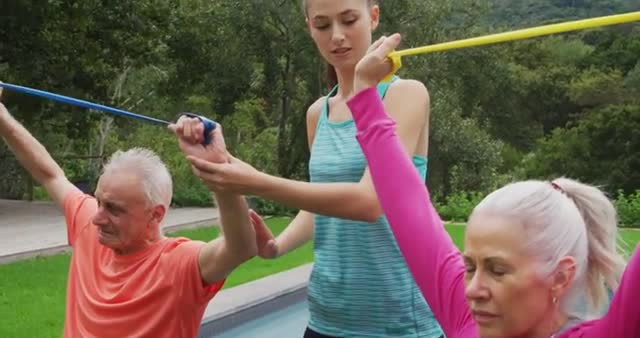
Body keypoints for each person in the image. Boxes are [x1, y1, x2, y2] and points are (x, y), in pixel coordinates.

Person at [345, 33, 640, 337]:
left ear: (561, 276)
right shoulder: (466, 317)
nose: (473, 290)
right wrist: (365, 91)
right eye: (470, 267)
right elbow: (406, 204)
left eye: (497, 271)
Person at [182, 0, 442, 337]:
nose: (337, 36)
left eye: (349, 20)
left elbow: (370, 202)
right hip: (325, 318)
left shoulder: (405, 95)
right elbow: (320, 201)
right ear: (309, 27)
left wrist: (256, 182)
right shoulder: (317, 113)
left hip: (398, 323)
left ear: (373, 17)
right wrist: (278, 245)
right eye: (322, 25)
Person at [0, 84, 258, 338]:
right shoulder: (91, 224)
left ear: (155, 214)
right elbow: (49, 174)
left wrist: (216, 165)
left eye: (114, 209)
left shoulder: (177, 264)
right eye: (98, 201)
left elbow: (240, 248)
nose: (97, 217)